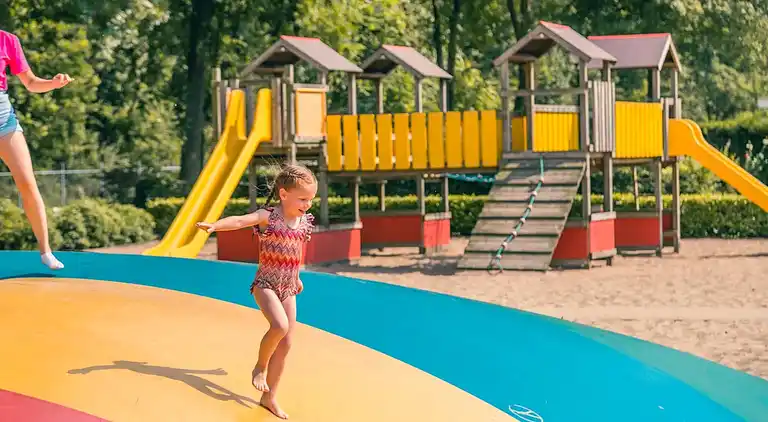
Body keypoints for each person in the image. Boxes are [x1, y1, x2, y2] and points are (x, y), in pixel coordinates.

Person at [196, 163, 317, 419]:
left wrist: (297, 276)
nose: (307, 204)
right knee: (280, 326)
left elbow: (296, 251)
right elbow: (240, 220)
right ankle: (260, 367)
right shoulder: (268, 216)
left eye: (311, 199)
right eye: (303, 198)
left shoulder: (304, 221)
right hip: (266, 284)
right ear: (284, 194)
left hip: (288, 287)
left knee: (286, 344)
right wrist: (215, 226)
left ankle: (269, 397)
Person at [1, 29, 72, 270]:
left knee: (27, 184)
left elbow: (31, 83)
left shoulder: (8, 40)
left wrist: (53, 83)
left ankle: (46, 252)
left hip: (4, 122)